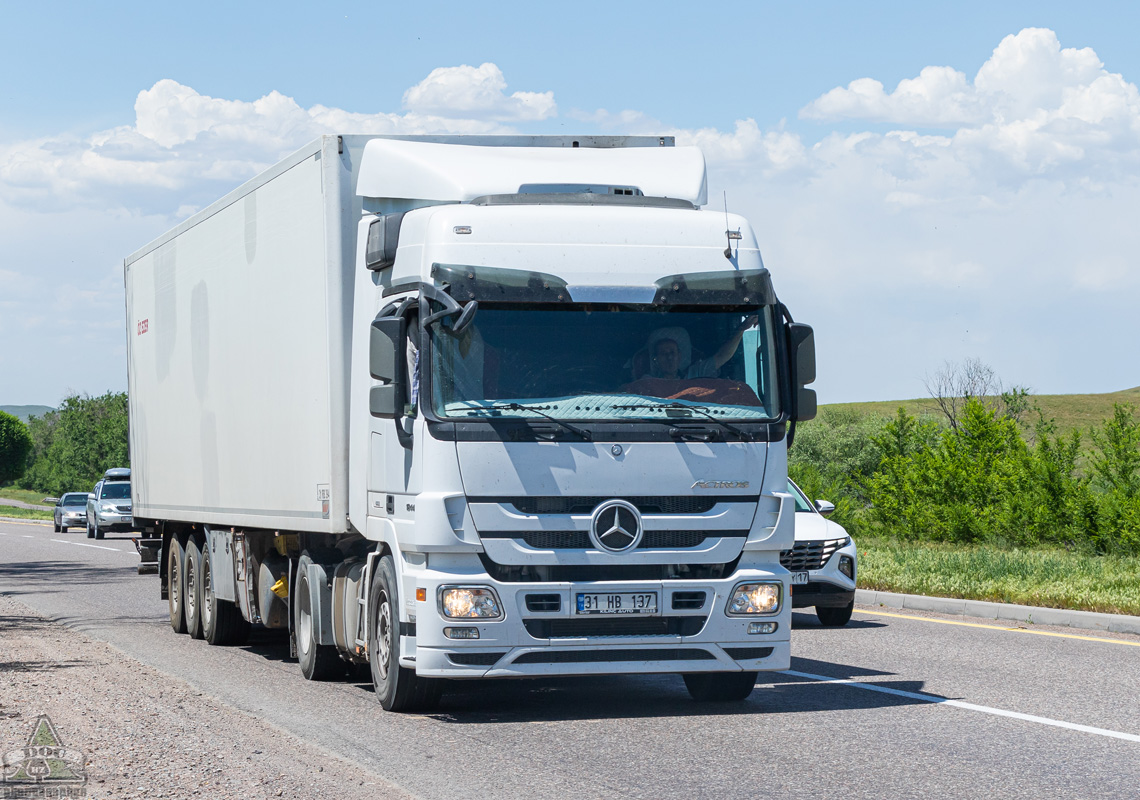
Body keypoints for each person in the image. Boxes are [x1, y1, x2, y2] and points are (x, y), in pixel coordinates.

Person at [647, 316, 758, 380]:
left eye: (672, 352)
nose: (669, 357)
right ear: (655, 360)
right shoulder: (646, 382)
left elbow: (722, 356)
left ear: (679, 356)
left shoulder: (695, 373)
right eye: (663, 353)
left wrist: (741, 329)